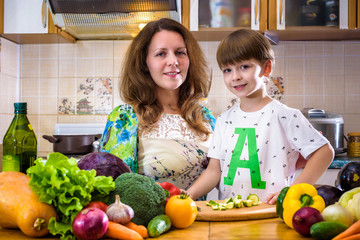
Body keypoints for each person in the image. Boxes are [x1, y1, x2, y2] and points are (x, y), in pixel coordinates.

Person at [186, 29, 334, 204]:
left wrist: (293, 191)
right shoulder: (223, 120)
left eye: (244, 67)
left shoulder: (284, 115)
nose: (235, 77)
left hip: (271, 214)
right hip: (230, 216)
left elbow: (325, 152)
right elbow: (213, 171)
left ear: (267, 68)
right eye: (227, 70)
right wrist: (189, 195)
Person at [99, 18, 216, 191]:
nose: (173, 61)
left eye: (180, 52)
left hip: (199, 217)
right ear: (144, 63)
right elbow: (114, 190)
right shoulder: (125, 118)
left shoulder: (204, 116)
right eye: (161, 53)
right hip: (149, 219)